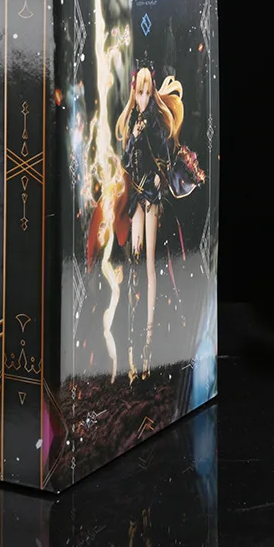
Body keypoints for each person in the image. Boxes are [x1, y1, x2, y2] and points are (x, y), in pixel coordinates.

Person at [115, 60, 184, 381]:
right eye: (139, 93)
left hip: (152, 198)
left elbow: (166, 156)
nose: (143, 98)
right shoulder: (135, 121)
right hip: (137, 199)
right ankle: (133, 345)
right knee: (135, 262)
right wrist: (133, 137)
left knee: (149, 266)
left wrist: (159, 176)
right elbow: (126, 161)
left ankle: (148, 345)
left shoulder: (155, 121)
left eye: (146, 92)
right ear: (134, 92)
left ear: (151, 91)